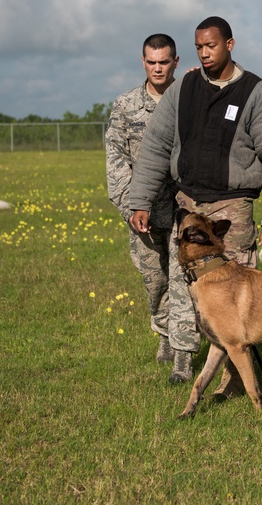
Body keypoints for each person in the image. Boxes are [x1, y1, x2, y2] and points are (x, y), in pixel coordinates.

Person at [128, 16, 262, 388]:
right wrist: (139, 199)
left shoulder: (258, 94)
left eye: (212, 46)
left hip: (232, 210)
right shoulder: (184, 88)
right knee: (183, 286)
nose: (205, 54)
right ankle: (183, 364)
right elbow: (155, 146)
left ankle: (235, 379)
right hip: (188, 205)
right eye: (199, 47)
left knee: (234, 297)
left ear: (230, 45)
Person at [105, 33, 180, 368]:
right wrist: (131, 208)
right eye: (151, 62)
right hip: (144, 215)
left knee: (184, 279)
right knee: (155, 281)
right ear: (143, 62)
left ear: (175, 62)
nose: (158, 68)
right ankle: (164, 333)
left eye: (164, 62)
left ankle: (182, 346)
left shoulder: (189, 99)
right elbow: (116, 160)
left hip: (183, 211)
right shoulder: (126, 105)